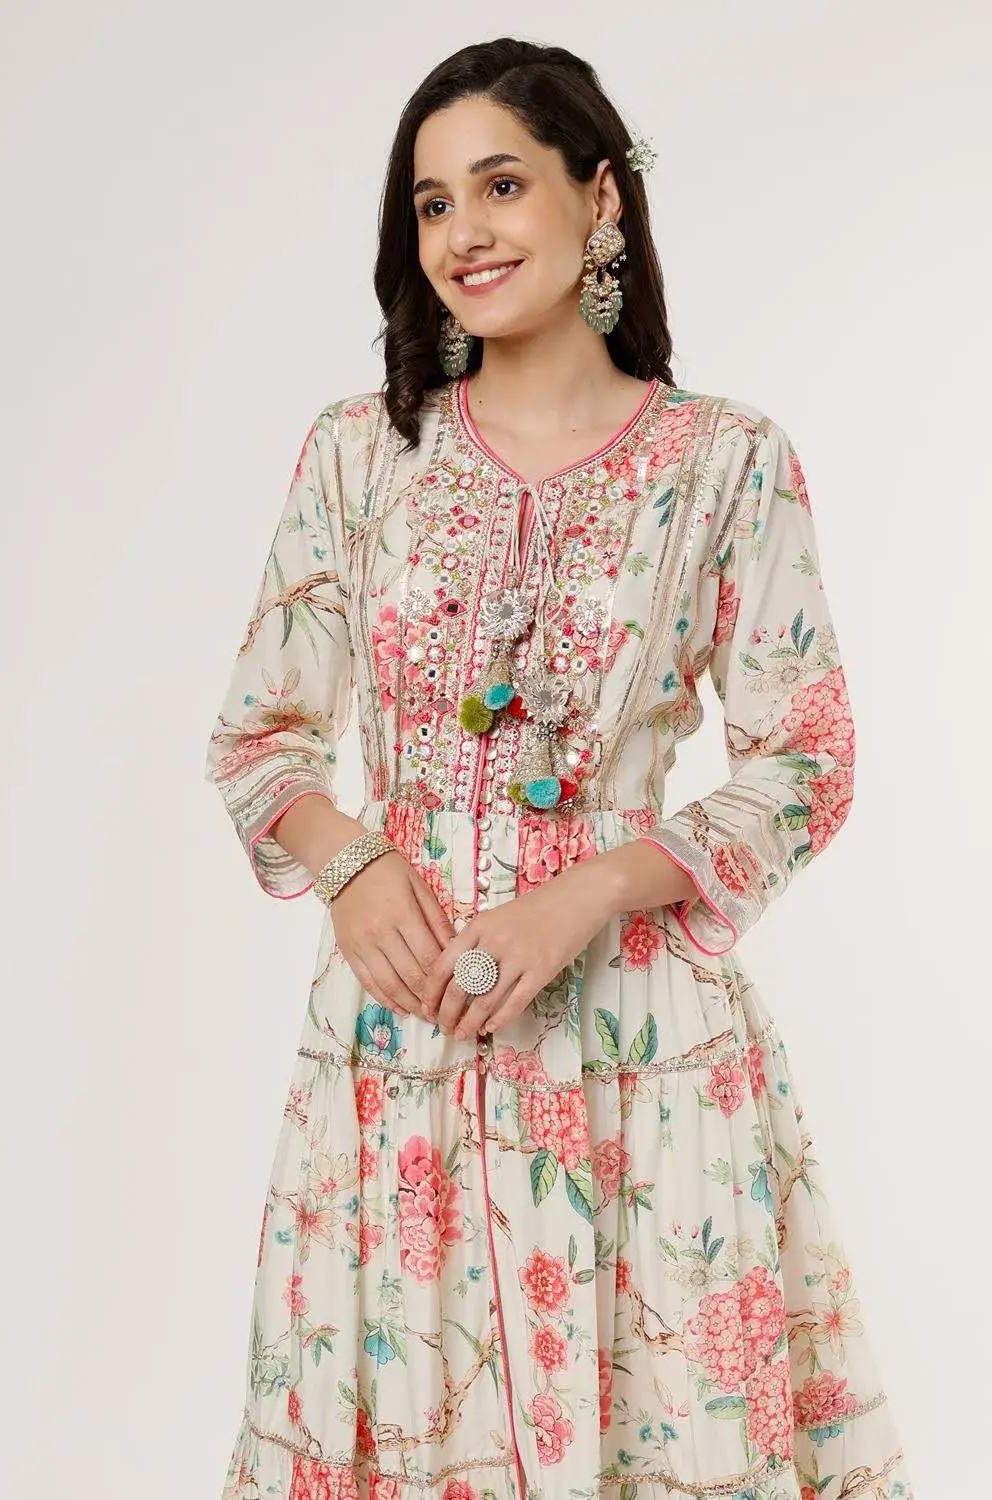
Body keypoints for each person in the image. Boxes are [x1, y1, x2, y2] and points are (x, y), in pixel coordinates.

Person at [204, 36, 915, 1500]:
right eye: (430, 204)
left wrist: (589, 888)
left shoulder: (725, 462)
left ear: (600, 199)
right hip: (402, 1045)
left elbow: (806, 760)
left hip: (641, 1051)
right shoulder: (358, 456)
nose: (462, 232)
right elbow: (259, 735)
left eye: (501, 185)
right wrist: (352, 864)